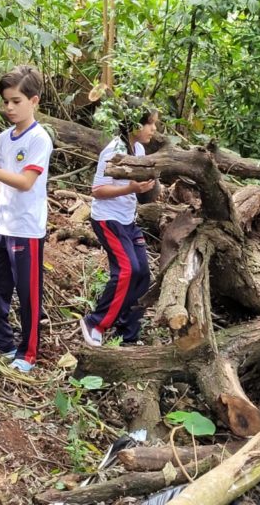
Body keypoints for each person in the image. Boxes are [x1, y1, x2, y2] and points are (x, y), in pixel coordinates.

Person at [0, 65, 53, 373]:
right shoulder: (5, 138)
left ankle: (28, 353)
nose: (9, 107)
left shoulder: (39, 139)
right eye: (6, 101)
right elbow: (2, 184)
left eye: (16, 101)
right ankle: (2, 341)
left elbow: (25, 181)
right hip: (2, 225)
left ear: (34, 101)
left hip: (26, 228)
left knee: (28, 292)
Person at [80, 104, 158, 347]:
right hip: (107, 218)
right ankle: (95, 322)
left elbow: (144, 183)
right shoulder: (114, 149)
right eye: (150, 123)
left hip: (127, 219)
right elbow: (98, 190)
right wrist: (130, 188)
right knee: (127, 270)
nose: (154, 129)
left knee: (143, 274)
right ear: (136, 125)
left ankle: (128, 331)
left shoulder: (139, 149)